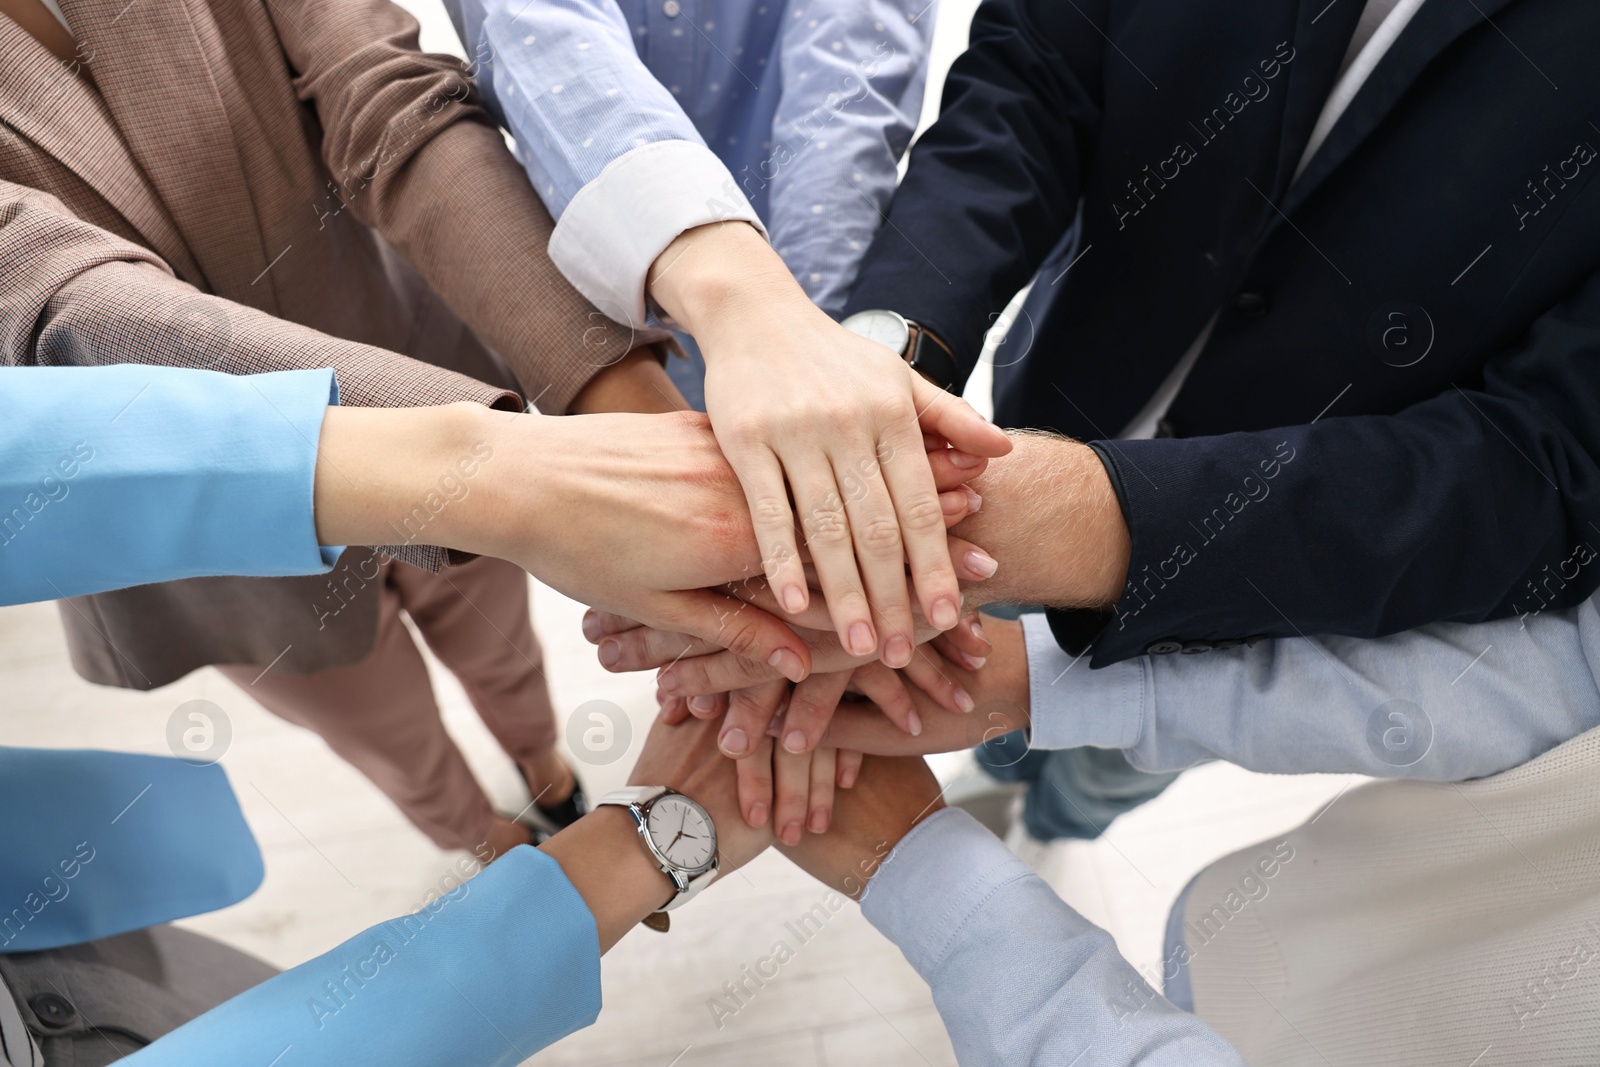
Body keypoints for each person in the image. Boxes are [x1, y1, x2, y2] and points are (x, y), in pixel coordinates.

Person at [0, 0, 776, 861]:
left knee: (505, 654)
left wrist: (615, 395)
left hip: (419, 355)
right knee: (393, 739)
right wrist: (513, 466)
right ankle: (486, 843)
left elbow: (390, 95)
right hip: (206, 534)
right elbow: (57, 308)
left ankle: (546, 768)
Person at [825, 0, 1600, 839]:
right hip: (1037, 414)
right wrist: (890, 351)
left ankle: (1054, 825)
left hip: (1266, 578)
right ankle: (1006, 772)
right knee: (980, 666)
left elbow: (1550, 460)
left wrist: (1100, 520)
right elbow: (1038, 64)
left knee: (1108, 768)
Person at [441, 0, 1012, 677]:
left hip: (826, 282)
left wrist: (818, 367)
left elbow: (846, 85)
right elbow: (539, 37)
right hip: (597, 271)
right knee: (702, 505)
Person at [442, 0, 936, 404]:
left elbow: (844, 101)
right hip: (600, 316)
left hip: (820, 299)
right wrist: (755, 311)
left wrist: (813, 338)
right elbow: (546, 41)